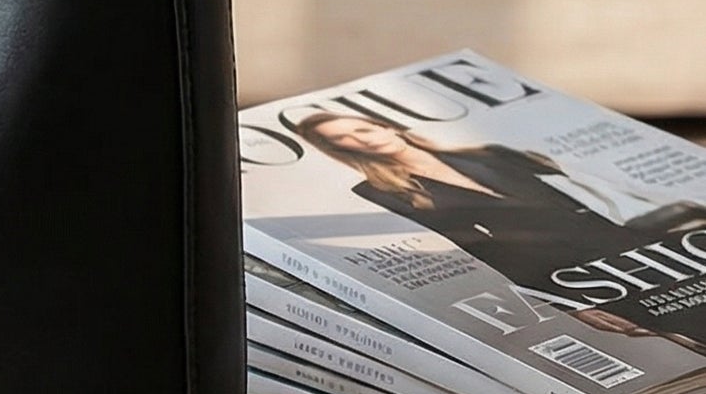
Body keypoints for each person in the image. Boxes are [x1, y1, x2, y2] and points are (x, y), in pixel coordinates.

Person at [291, 112, 706, 349]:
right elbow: (474, 251)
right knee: (678, 342)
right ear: (339, 151)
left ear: (386, 126)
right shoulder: (381, 191)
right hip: (563, 275)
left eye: (362, 129)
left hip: (631, 247)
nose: (360, 141)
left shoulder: (490, 153)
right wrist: (562, 303)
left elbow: (593, 193)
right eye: (343, 141)